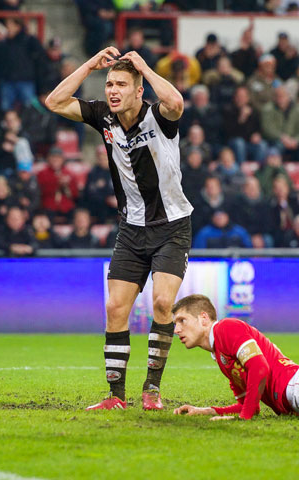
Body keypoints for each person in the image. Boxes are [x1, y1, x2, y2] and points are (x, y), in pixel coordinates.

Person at [45, 46, 192, 411]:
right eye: (109, 83)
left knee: (161, 302)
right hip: (131, 229)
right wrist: (90, 65)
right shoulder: (103, 117)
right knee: (114, 309)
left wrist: (142, 65)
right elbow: (54, 101)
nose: (112, 90)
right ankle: (115, 397)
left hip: (172, 226)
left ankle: (152, 389)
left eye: (121, 84)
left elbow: (176, 100)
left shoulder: (159, 117)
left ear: (138, 90)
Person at [171, 294, 299, 420]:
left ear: (203, 318)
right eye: (175, 324)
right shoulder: (221, 355)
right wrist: (207, 410)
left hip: (293, 386)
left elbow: (259, 367)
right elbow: (248, 407)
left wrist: (244, 418)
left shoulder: (226, 328)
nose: (176, 330)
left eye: (182, 320)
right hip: (290, 398)